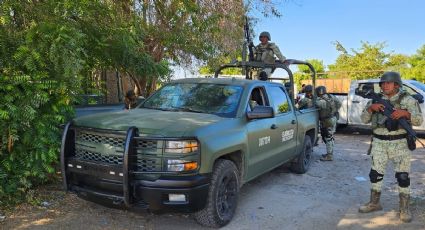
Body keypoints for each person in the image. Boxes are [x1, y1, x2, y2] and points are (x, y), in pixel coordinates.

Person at [358, 72, 423, 223]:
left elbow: (419, 120)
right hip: (379, 143)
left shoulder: (407, 100)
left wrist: (406, 113)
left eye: (389, 83)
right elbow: (363, 119)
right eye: (383, 83)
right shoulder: (375, 100)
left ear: (397, 85)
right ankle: (374, 203)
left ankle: (404, 208)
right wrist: (370, 109)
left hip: (400, 143)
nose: (385, 85)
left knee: (402, 177)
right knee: (375, 174)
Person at [315, 86, 342, 161]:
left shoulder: (319, 101)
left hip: (327, 121)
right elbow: (339, 104)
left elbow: (314, 105)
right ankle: (329, 153)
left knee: (328, 138)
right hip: (334, 118)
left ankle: (329, 156)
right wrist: (334, 110)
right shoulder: (331, 96)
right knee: (331, 137)